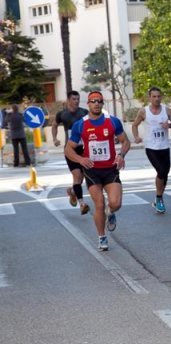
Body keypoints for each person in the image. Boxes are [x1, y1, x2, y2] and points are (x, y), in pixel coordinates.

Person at [64, 91, 130, 251]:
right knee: (99, 204)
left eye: (99, 101)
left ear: (102, 103)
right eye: (93, 101)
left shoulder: (113, 122)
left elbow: (125, 141)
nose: (96, 104)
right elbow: (68, 149)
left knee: (116, 203)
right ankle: (102, 238)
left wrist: (121, 154)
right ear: (88, 104)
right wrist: (80, 160)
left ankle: (111, 211)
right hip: (92, 171)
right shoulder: (81, 124)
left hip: (110, 169)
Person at [131, 87, 171, 213]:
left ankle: (158, 198)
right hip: (151, 148)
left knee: (165, 174)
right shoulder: (144, 112)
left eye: (158, 96)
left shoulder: (166, 110)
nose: (157, 99)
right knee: (161, 171)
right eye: (154, 96)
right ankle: (159, 198)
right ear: (150, 98)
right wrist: (136, 137)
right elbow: (134, 125)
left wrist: (170, 125)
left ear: (161, 97)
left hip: (164, 147)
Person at [52, 90, 90, 214]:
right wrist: (55, 138)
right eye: (74, 99)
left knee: (81, 178)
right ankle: (82, 203)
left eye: (78, 99)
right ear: (68, 100)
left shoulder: (84, 112)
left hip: (84, 149)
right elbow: (54, 125)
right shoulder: (62, 114)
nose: (76, 101)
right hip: (70, 150)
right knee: (77, 176)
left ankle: (72, 192)